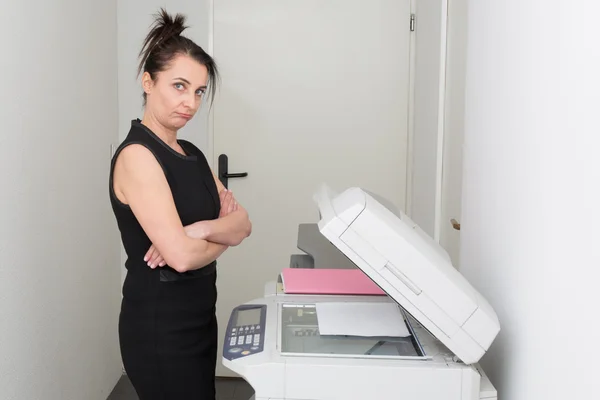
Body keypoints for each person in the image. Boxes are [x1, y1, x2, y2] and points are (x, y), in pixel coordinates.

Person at [109, 8, 252, 399]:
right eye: (179, 86)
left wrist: (199, 231)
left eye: (199, 91)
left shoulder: (191, 153)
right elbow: (184, 258)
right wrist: (219, 236)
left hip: (200, 317)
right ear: (148, 82)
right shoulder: (137, 156)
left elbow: (244, 223)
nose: (190, 102)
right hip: (160, 328)